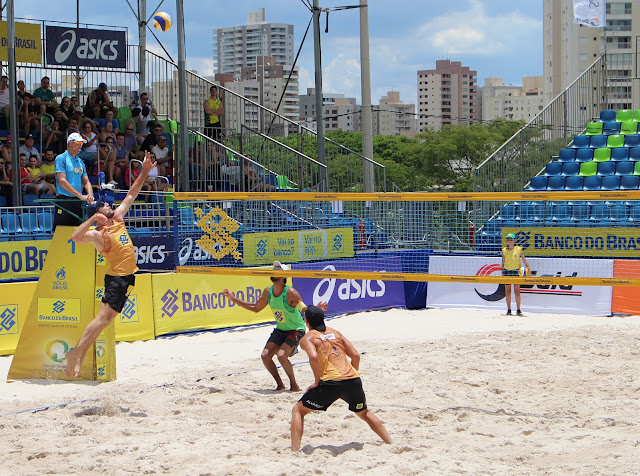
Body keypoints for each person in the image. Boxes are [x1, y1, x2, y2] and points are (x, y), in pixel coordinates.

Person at [65, 151, 156, 378]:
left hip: (125, 279)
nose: (108, 205)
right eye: (103, 206)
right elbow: (75, 237)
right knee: (101, 320)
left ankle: (77, 354)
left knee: (103, 322)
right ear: (97, 213)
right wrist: (93, 220)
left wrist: (144, 171)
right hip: (117, 279)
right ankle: (75, 353)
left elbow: (133, 192)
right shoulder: (98, 234)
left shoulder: (117, 218)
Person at [290, 306, 393, 451]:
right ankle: (390, 442)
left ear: (306, 321)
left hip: (330, 383)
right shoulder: (335, 332)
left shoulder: (308, 338)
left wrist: (316, 381)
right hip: (353, 380)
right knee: (364, 412)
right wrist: (350, 377)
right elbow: (356, 356)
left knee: (298, 411)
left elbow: (313, 356)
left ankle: (294, 451)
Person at [223, 261, 326, 392]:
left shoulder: (291, 293)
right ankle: (280, 385)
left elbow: (304, 309)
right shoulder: (268, 291)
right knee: (265, 356)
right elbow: (255, 308)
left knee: (282, 356)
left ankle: (294, 385)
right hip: (281, 329)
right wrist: (234, 299)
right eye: (274, 269)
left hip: (296, 329)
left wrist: (318, 309)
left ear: (283, 276)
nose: (273, 271)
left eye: (277, 269)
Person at [53, 132, 95, 230]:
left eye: (82, 144)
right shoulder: (61, 158)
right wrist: (80, 195)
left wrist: (90, 194)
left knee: (79, 231)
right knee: (61, 232)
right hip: (64, 200)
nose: (81, 146)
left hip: (77, 201)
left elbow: (86, 181)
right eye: (79, 143)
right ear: (71, 143)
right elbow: (62, 181)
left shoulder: (80, 161)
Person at [502, 233, 530, 316]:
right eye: (508, 239)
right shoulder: (504, 250)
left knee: (517, 291)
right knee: (507, 292)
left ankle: (518, 309)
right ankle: (509, 310)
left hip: (516, 271)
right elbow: (503, 262)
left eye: (511, 239)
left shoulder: (519, 249)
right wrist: (502, 272)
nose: (509, 241)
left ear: (514, 240)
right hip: (507, 271)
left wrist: (528, 268)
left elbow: (524, 259)